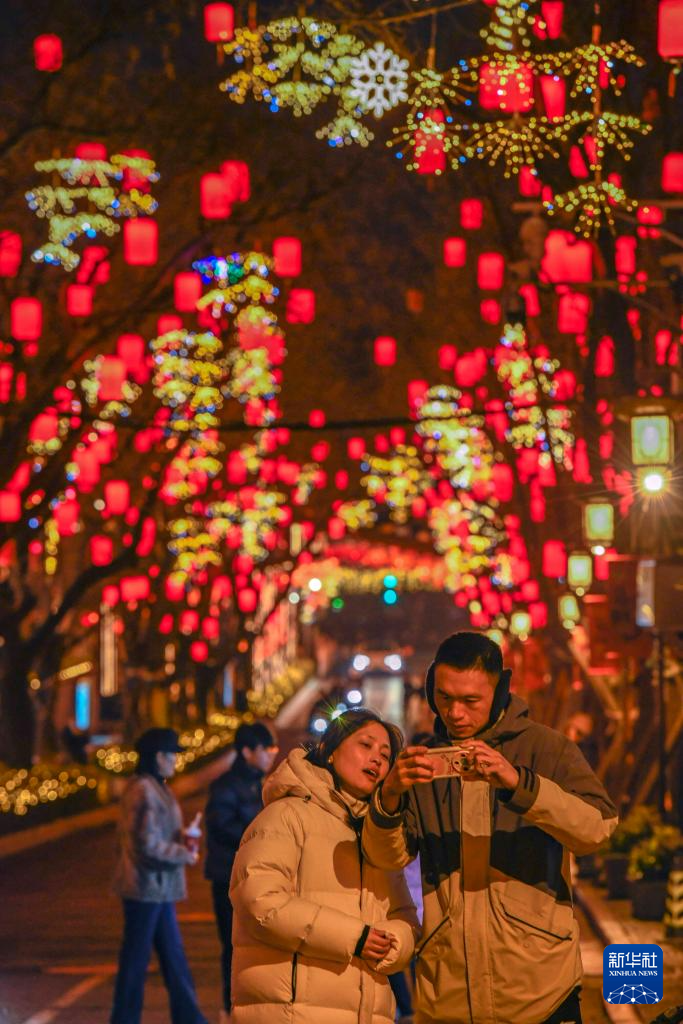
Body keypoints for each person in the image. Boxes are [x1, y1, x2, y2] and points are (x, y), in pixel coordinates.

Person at [362, 632, 618, 1024]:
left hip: (540, 993)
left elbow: (597, 829)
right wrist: (391, 795)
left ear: (499, 693)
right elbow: (387, 856)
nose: (455, 713)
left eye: (470, 701)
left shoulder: (547, 749)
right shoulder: (426, 760)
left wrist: (519, 784)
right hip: (448, 996)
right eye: (444, 698)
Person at [229, 708, 418, 1023]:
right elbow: (259, 902)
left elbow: (405, 917)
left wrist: (392, 944)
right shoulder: (287, 816)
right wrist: (355, 938)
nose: (377, 759)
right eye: (365, 745)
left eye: (385, 756)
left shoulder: (378, 836)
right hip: (292, 1012)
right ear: (330, 751)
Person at [110, 727, 208, 1024]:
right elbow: (145, 843)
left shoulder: (157, 786)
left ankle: (189, 1018)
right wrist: (183, 853)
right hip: (145, 888)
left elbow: (154, 835)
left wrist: (182, 836)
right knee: (136, 961)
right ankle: (125, 1019)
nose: (175, 761)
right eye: (171, 755)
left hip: (159, 888)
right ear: (157, 757)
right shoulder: (143, 789)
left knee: (172, 958)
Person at [204, 722, 279, 1022]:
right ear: (247, 751)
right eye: (266, 750)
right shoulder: (226, 785)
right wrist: (260, 835)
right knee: (233, 946)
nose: (271, 756)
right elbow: (221, 825)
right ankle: (229, 1008)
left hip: (255, 875)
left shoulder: (260, 781)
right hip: (227, 876)